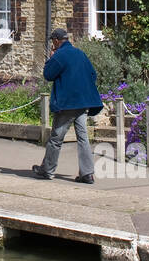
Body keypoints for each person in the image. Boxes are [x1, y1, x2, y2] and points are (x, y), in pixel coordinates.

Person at [32, 28, 103, 183]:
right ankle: (87, 173)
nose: (52, 44)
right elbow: (93, 74)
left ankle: (47, 170)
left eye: (53, 41)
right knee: (83, 138)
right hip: (83, 103)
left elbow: (48, 75)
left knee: (56, 138)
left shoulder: (59, 55)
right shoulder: (80, 54)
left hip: (67, 104)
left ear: (57, 40)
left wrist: (51, 59)